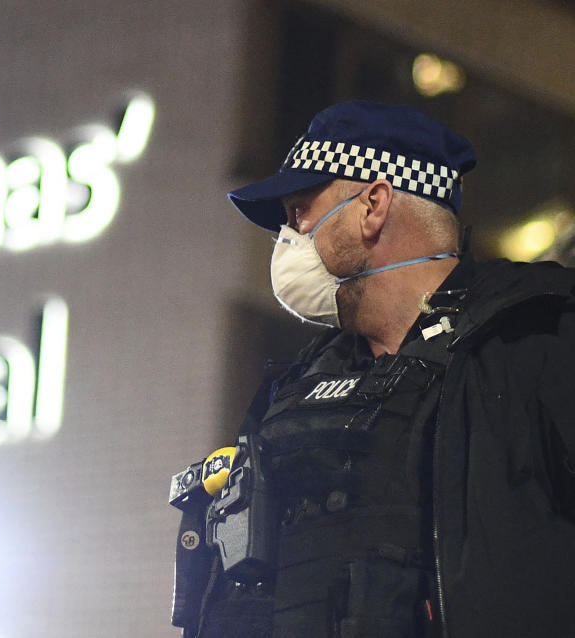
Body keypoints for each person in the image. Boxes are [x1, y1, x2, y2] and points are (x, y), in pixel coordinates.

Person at [173, 101, 575, 638]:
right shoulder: (293, 390)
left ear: (374, 205)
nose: (286, 239)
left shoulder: (535, 338)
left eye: (299, 213)